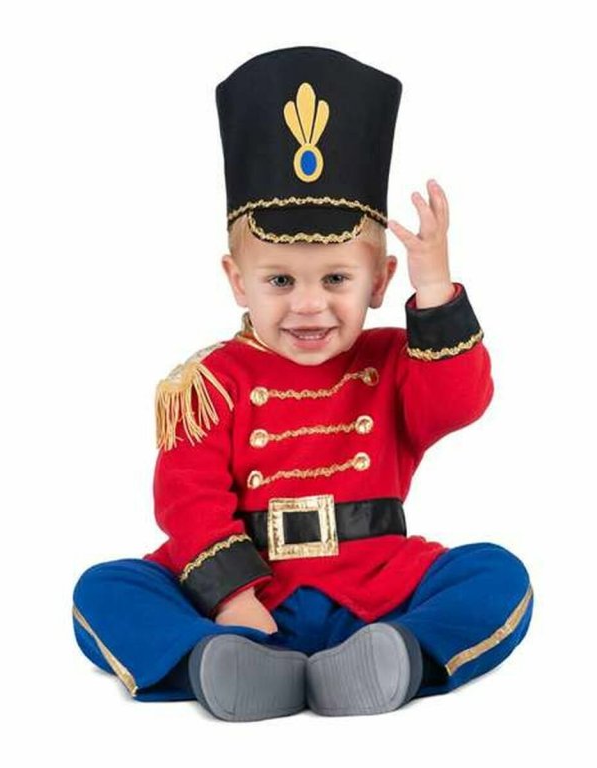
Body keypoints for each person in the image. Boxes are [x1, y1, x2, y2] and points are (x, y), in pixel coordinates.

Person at [72, 45, 533, 721]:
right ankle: (220, 662)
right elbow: (188, 499)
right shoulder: (209, 383)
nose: (309, 305)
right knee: (106, 589)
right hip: (247, 607)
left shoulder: (394, 360)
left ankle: (396, 658)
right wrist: (232, 599)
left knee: (497, 575)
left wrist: (435, 289)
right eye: (280, 280)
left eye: (337, 278)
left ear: (380, 282)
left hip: (375, 592)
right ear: (238, 281)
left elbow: (459, 402)